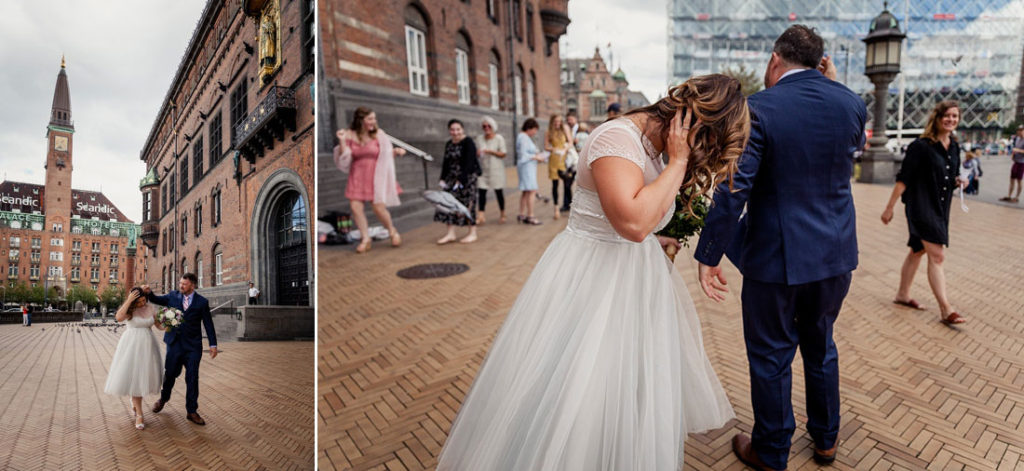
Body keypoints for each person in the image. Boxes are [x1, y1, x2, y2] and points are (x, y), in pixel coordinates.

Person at [437, 74, 750, 470]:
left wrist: (662, 235)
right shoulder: (617, 140)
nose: (708, 153)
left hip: (636, 278)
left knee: (627, 386)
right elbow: (633, 223)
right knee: (577, 387)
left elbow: (642, 221)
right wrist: (681, 160)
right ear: (695, 125)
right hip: (591, 281)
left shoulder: (658, 149)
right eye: (712, 141)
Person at [695, 25, 867, 470]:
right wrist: (831, 83)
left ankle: (771, 451)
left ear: (775, 59)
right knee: (821, 344)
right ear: (819, 62)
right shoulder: (851, 103)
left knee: (771, 354)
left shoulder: (759, 108)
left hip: (777, 259)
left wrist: (709, 254)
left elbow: (734, 189)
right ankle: (827, 439)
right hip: (835, 254)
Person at [882, 101, 968, 325]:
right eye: (947, 116)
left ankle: (902, 294)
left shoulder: (954, 146)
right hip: (921, 207)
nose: (951, 120)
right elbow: (904, 178)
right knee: (937, 256)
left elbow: (951, 175)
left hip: (941, 208)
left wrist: (959, 181)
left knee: (917, 251)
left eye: (955, 116)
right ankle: (946, 309)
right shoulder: (921, 146)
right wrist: (889, 207)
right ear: (937, 118)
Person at [142, 273, 218, 426]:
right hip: (174, 344)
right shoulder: (172, 296)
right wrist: (149, 292)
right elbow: (156, 299)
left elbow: (208, 324)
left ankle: (191, 411)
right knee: (170, 374)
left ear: (192, 285)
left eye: (184, 284)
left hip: (193, 347)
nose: (181, 285)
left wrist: (213, 345)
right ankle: (163, 399)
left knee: (192, 378)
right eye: (180, 283)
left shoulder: (202, 302)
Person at [334, 107, 405, 254]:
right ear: (361, 120)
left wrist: (396, 152)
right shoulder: (348, 134)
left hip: (376, 176)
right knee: (355, 207)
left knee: (378, 208)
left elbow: (384, 154)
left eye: (374, 118)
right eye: (370, 119)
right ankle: (365, 239)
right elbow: (344, 157)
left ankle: (392, 231)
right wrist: (341, 141)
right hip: (357, 176)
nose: (374, 122)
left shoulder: (379, 135)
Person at [104, 287, 164, 430]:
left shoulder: (150, 308)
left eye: (144, 300)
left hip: (148, 347)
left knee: (142, 377)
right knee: (136, 377)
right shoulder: (129, 309)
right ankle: (140, 414)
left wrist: (171, 323)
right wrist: (129, 300)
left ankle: (135, 404)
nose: (142, 304)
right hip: (132, 346)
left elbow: (158, 325)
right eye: (139, 301)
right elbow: (118, 318)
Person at [435, 119, 481, 244]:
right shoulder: (449, 143)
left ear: (462, 129)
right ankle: (451, 233)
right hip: (451, 178)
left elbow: (469, 162)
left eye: (458, 129)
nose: (455, 132)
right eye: (452, 130)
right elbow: (446, 162)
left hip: (467, 178)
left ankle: (472, 232)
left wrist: (461, 180)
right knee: (448, 204)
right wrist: (442, 178)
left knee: (468, 204)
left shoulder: (468, 142)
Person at [476, 116, 508, 224]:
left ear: (493, 127)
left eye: (488, 126)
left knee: (498, 191)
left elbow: (503, 153)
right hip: (483, 169)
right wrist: (479, 153)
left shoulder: (499, 138)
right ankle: (481, 216)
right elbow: (477, 152)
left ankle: (503, 213)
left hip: (496, 169)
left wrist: (490, 151)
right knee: (481, 192)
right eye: (484, 126)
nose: (486, 128)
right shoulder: (479, 138)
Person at [544, 114, 574, 219]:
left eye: (559, 121)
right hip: (554, 159)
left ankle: (570, 206)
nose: (557, 123)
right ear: (552, 122)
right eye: (555, 121)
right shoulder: (548, 132)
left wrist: (565, 149)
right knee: (555, 184)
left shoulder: (564, 130)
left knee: (567, 184)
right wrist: (553, 149)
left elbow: (570, 142)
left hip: (564, 159)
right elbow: (546, 146)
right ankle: (556, 209)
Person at [515, 118, 544, 225]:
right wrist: (536, 157)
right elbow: (523, 155)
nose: (535, 132)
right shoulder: (523, 138)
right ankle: (530, 215)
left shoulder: (523, 137)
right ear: (530, 128)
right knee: (532, 190)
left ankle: (521, 214)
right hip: (527, 167)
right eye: (535, 130)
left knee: (526, 191)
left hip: (527, 167)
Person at [1000, 126, 1024, 203]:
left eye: (1021, 131)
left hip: (1022, 163)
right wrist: (1013, 155)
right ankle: (1009, 196)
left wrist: (1018, 150)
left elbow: (1018, 149)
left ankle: (1016, 197)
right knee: (1012, 179)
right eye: (1018, 130)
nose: (1019, 132)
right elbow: (1014, 148)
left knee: (1019, 180)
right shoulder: (1017, 139)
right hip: (1016, 161)